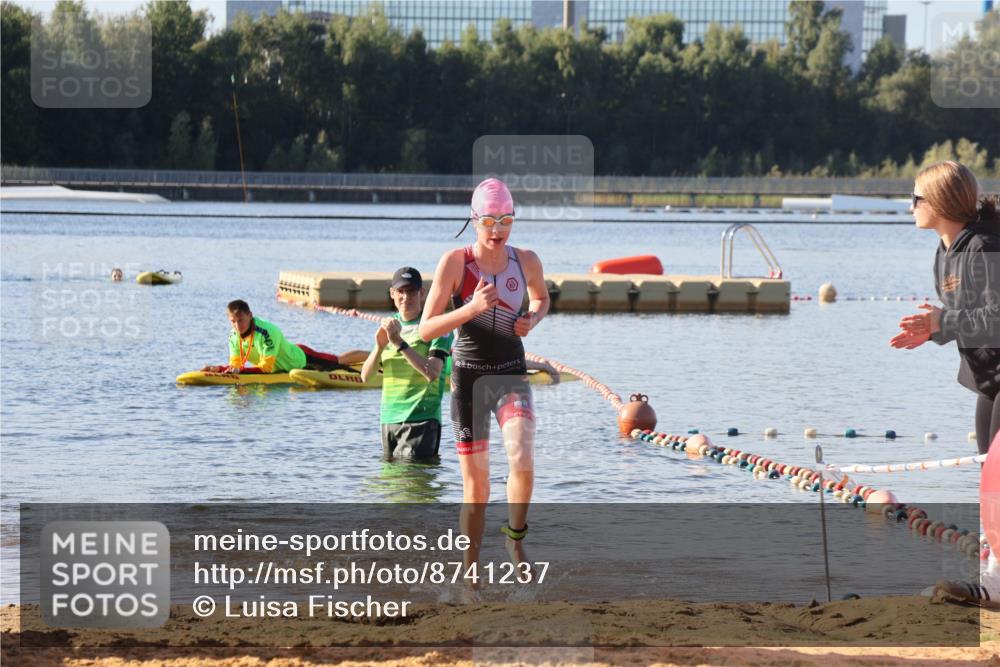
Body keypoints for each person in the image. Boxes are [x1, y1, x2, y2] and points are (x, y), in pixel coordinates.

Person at [419, 178, 550, 582]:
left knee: (522, 457)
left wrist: (533, 318)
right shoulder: (455, 263)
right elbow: (425, 329)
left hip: (511, 372)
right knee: (476, 488)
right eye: (490, 221)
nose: (498, 230)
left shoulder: (525, 259)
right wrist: (471, 308)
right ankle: (470, 565)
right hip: (470, 379)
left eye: (506, 220)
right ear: (474, 220)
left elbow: (542, 297)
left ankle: (514, 539)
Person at [889, 161, 1000, 456]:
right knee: (987, 477)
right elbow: (967, 314)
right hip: (989, 380)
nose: (911, 207)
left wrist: (944, 321)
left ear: (940, 201)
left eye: (916, 199)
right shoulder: (945, 252)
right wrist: (933, 330)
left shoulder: (986, 247)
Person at [360, 267, 454, 463]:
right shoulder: (390, 325)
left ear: (422, 293)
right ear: (392, 294)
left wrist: (399, 343)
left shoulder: (436, 326)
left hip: (422, 419)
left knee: (412, 487)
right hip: (389, 418)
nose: (406, 297)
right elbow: (365, 377)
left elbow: (433, 372)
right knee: (391, 488)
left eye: (411, 291)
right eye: (400, 291)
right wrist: (378, 348)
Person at [202, 299, 367, 373]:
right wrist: (220, 369)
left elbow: (266, 368)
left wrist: (237, 371)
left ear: (250, 315)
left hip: (300, 359)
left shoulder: (267, 332)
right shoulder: (233, 337)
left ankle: (377, 354)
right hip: (282, 366)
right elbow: (236, 365)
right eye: (233, 322)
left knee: (337, 361)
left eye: (241, 320)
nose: (238, 326)